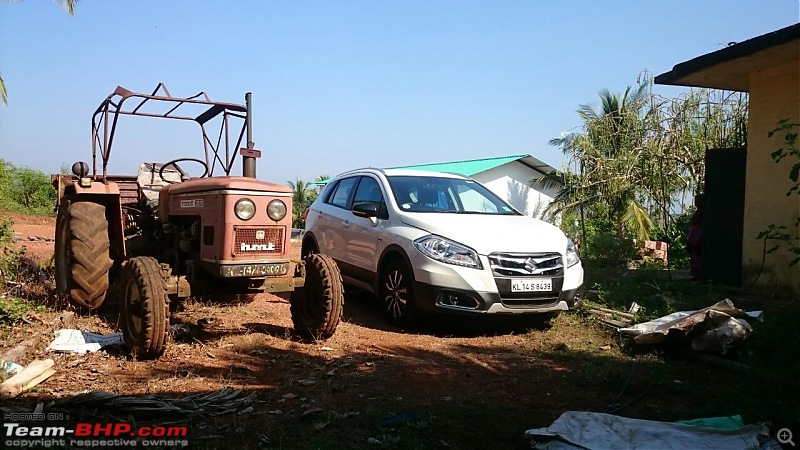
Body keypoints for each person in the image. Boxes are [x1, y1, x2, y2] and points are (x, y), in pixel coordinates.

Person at [688, 194, 705, 280]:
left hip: (698, 234)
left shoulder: (703, 213)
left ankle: (699, 274)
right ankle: (695, 273)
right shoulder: (698, 212)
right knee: (693, 254)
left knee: (698, 255)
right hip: (693, 234)